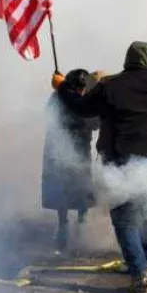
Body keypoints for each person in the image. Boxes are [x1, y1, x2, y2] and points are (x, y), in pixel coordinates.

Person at [53, 42, 147, 292]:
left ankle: (138, 270)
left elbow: (80, 107)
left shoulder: (109, 86)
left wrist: (62, 87)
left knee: (125, 219)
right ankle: (144, 260)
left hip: (118, 161)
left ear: (128, 61)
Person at [42, 68, 100, 252]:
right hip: (65, 152)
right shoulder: (70, 100)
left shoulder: (57, 98)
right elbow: (95, 122)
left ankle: (73, 226)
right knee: (72, 189)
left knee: (75, 189)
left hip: (69, 153)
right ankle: (67, 228)